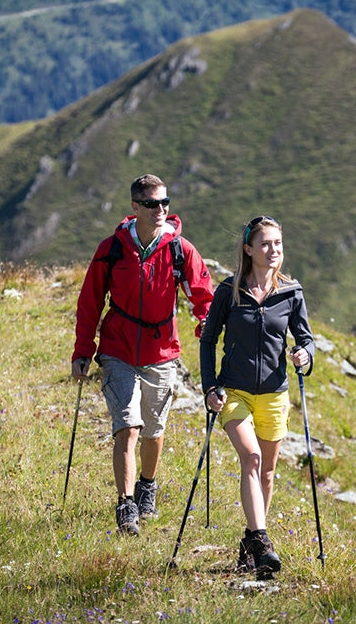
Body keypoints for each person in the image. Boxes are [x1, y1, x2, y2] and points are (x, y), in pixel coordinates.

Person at [72, 174, 214, 535]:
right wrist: (83, 351)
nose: (160, 209)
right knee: (128, 426)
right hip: (117, 350)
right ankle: (126, 504)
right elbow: (90, 303)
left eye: (164, 202)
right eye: (152, 203)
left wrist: (206, 324)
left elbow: (202, 294)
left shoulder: (181, 250)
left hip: (161, 353)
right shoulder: (112, 249)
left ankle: (147, 485)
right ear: (135, 206)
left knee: (153, 430)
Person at [199, 215, 315, 576]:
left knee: (267, 473)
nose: (273, 250)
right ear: (249, 249)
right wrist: (209, 386)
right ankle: (263, 541)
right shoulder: (229, 291)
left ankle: (250, 543)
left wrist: (305, 355)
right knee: (250, 457)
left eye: (277, 243)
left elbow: (306, 338)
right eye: (265, 244)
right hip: (234, 391)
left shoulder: (291, 292)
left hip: (274, 395)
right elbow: (208, 340)